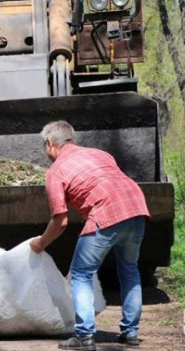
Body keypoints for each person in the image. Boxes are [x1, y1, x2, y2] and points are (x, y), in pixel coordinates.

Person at [29, 121, 150, 350]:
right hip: (137, 207)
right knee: (129, 270)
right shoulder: (101, 154)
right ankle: (131, 333)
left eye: (44, 148)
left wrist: (41, 243)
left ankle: (84, 335)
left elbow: (60, 221)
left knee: (81, 274)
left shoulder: (55, 171)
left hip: (107, 213)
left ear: (50, 144)